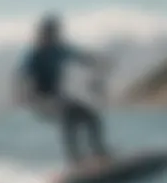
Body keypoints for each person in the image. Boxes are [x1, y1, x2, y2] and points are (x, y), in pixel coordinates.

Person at [14, 14, 112, 174]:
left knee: (91, 117)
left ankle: (100, 154)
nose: (53, 36)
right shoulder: (34, 54)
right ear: (41, 34)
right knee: (67, 113)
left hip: (58, 99)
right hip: (40, 101)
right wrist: (20, 94)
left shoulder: (60, 50)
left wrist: (99, 61)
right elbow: (21, 75)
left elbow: (82, 57)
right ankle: (75, 162)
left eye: (55, 33)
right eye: (49, 33)